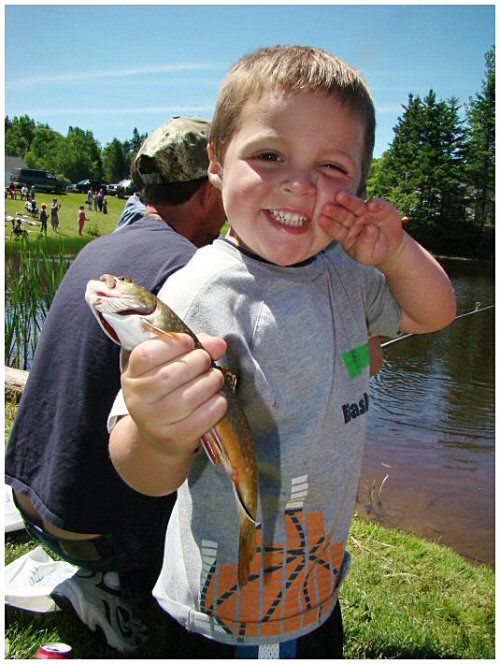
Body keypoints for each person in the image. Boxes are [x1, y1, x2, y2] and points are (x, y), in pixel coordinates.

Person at [109, 45, 456, 658]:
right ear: (216, 162)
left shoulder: (349, 274)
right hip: (216, 609)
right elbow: (143, 475)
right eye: (270, 155)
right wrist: (158, 434)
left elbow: (435, 313)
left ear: (360, 184)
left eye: (331, 167)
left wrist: (398, 253)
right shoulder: (194, 293)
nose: (299, 184)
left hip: (316, 585)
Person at [5, 117, 227, 654]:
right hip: (95, 533)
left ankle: (83, 569)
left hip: (30, 496)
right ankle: (111, 586)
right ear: (206, 193)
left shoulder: (101, 251)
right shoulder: (194, 272)